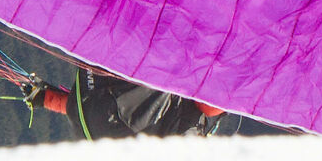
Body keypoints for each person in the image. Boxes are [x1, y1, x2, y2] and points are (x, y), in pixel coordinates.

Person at [22, 66, 226, 139]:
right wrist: (47, 99)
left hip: (117, 110)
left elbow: (209, 104)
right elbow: (88, 109)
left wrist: (237, 95)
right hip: (85, 123)